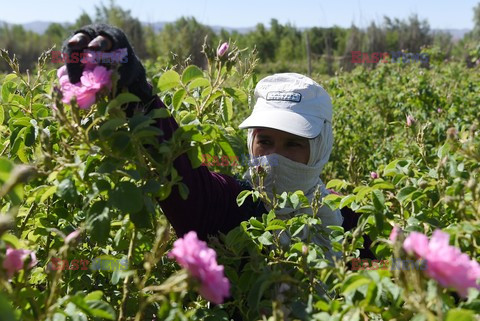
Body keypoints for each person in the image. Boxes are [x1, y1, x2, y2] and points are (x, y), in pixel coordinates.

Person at [62, 23, 374, 259]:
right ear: (250, 142)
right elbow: (183, 178)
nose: (274, 158)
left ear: (320, 149)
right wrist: (137, 94)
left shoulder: (349, 217)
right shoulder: (233, 204)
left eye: (293, 144)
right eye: (265, 141)